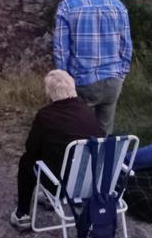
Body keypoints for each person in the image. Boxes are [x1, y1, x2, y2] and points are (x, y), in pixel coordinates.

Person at [9, 70, 101, 232]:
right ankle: (47, 198)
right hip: (89, 182)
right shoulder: (88, 112)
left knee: (26, 161)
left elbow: (31, 149)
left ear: (50, 93)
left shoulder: (45, 115)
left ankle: (22, 214)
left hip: (59, 184)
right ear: (73, 88)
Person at [53, 0, 132, 136]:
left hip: (82, 82)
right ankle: (100, 162)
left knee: (79, 131)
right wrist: (121, 74)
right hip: (113, 80)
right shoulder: (118, 5)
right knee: (104, 133)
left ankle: (79, 161)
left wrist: (65, 82)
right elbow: (126, 46)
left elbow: (61, 50)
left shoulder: (67, 6)